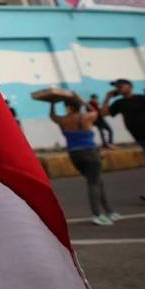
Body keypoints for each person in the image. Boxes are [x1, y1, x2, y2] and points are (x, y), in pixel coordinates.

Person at [50, 95, 119, 226]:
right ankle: (97, 214)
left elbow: (52, 116)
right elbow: (95, 112)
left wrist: (52, 103)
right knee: (94, 182)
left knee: (97, 181)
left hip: (74, 155)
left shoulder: (63, 120)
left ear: (69, 107)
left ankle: (109, 211)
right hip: (90, 153)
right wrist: (82, 101)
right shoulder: (85, 117)